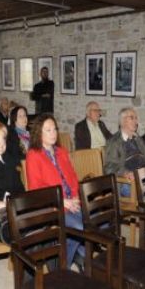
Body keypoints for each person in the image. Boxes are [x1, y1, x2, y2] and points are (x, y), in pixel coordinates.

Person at [26, 114, 84, 270]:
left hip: (71, 201)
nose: (53, 133)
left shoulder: (61, 152)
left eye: (55, 129)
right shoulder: (33, 155)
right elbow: (36, 190)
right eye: (48, 130)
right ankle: (63, 268)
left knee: (97, 222)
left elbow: (73, 178)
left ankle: (78, 260)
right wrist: (63, 201)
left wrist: (76, 197)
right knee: (79, 227)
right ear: (39, 133)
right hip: (51, 206)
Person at [104, 107, 145, 198]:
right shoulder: (115, 142)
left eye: (136, 118)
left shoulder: (139, 140)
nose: (136, 121)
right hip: (127, 182)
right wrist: (125, 173)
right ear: (122, 121)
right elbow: (110, 167)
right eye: (132, 118)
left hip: (144, 178)